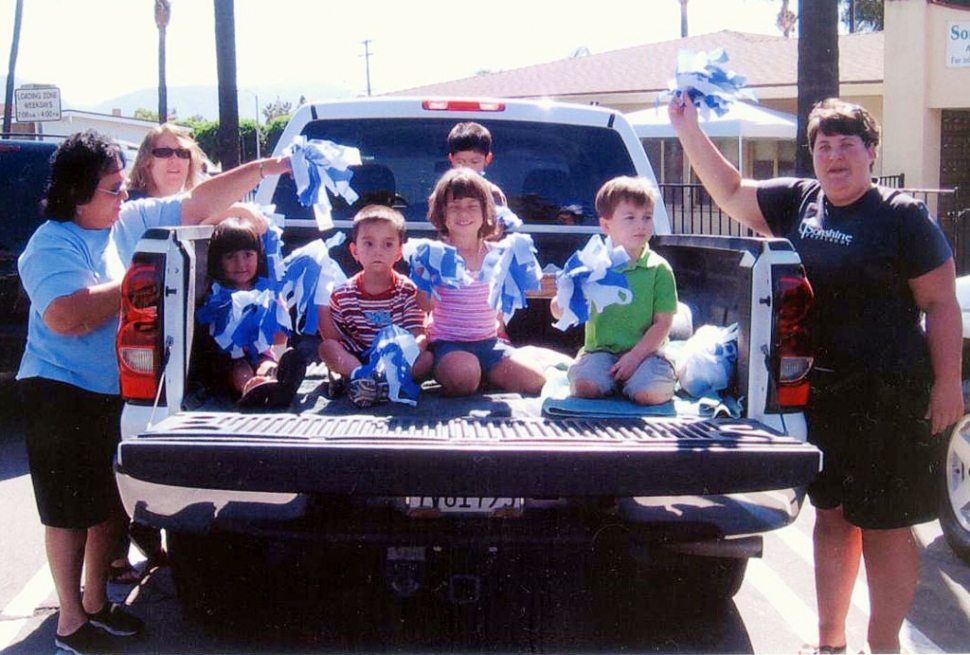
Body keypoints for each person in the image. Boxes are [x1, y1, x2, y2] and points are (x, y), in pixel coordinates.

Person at [668, 96, 964, 654]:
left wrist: (947, 384)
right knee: (832, 516)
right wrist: (687, 129)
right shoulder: (801, 200)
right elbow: (730, 191)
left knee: (884, 525)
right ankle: (829, 644)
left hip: (891, 396)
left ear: (870, 153)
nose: (833, 156)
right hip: (822, 394)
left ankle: (884, 645)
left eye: (846, 144)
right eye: (823, 146)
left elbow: (942, 304)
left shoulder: (901, 216)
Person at [16, 129, 290, 655]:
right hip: (58, 391)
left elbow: (194, 202)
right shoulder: (50, 243)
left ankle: (96, 604)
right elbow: (67, 315)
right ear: (77, 194)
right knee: (67, 514)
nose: (125, 196)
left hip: (111, 389)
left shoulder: (124, 221)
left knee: (104, 509)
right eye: (113, 188)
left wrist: (264, 169)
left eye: (123, 186)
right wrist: (145, 278)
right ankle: (70, 624)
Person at [414, 168, 546, 397]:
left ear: (486, 211)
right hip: (448, 344)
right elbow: (425, 305)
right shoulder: (434, 254)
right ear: (442, 213)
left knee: (535, 381)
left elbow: (518, 294)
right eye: (454, 206)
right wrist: (429, 276)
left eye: (472, 206)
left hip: (490, 344)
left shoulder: (500, 254)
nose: (463, 212)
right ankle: (461, 371)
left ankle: (485, 372)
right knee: (464, 379)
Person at [551, 176, 678, 406]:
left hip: (647, 353)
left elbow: (663, 323)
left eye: (647, 217)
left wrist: (635, 357)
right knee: (584, 387)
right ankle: (613, 381)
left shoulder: (659, 269)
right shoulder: (590, 265)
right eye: (630, 218)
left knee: (648, 394)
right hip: (600, 352)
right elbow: (561, 311)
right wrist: (563, 300)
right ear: (606, 226)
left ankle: (646, 379)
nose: (641, 224)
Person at [318, 205, 428, 406]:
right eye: (368, 244)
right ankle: (360, 378)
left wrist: (406, 355)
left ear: (398, 252)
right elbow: (334, 338)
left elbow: (417, 333)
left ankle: (388, 381)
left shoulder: (408, 291)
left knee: (428, 357)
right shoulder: (343, 293)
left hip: (397, 360)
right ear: (354, 250)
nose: (378, 251)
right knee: (327, 348)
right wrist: (321, 305)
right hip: (357, 357)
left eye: (387, 244)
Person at [199, 216, 305, 407]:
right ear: (218, 261)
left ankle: (275, 381)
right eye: (231, 257)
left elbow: (279, 333)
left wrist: (278, 313)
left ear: (259, 256)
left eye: (248, 255)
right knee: (240, 367)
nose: (240, 264)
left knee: (265, 361)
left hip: (260, 350)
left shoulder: (266, 291)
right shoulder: (217, 294)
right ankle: (250, 390)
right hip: (228, 358)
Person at [127, 122, 209, 199]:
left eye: (182, 153)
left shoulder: (196, 207)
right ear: (146, 160)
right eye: (164, 152)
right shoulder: (125, 206)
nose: (175, 159)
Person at [447, 121, 507, 205]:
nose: (467, 168)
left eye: (474, 162)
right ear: (451, 159)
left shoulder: (492, 193)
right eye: (460, 162)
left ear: (487, 159)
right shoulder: (443, 193)